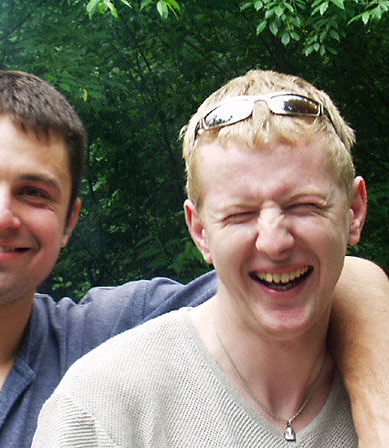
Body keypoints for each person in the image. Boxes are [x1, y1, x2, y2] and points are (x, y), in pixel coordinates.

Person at [0, 71, 386, 448]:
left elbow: (324, 278)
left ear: (70, 220)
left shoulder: (111, 329)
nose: (0, 215)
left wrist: (375, 408)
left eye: (34, 193)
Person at [31, 70, 373, 447]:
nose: (274, 242)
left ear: (354, 211)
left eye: (305, 206)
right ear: (199, 231)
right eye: (240, 214)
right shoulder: (102, 411)